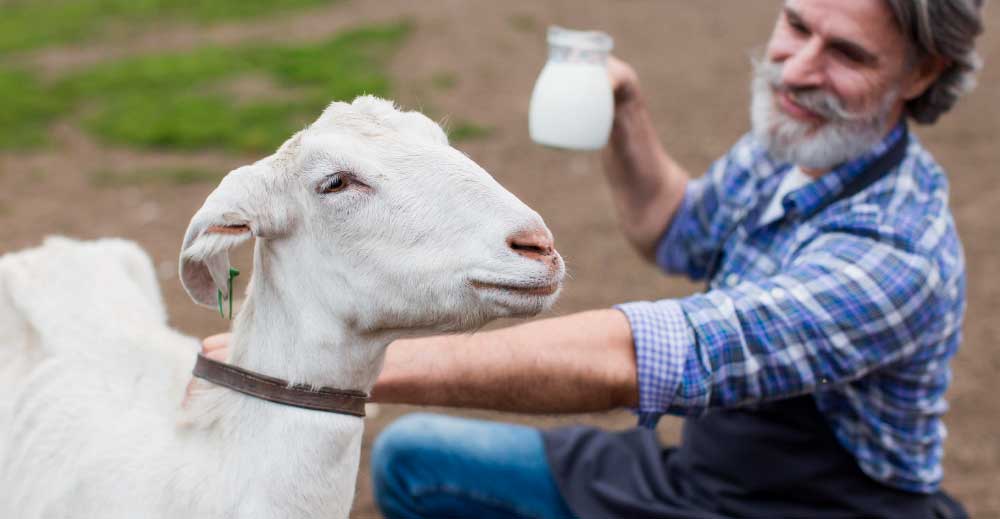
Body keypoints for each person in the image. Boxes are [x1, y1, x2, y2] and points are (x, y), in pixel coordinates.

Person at [201, 0, 985, 517]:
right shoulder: (801, 143)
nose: (799, 67)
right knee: (412, 458)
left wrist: (338, 364)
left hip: (821, 507)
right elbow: (677, 229)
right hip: (704, 477)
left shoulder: (898, 253)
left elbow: (638, 359)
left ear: (923, 74)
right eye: (796, 24)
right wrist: (628, 119)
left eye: (844, 52)